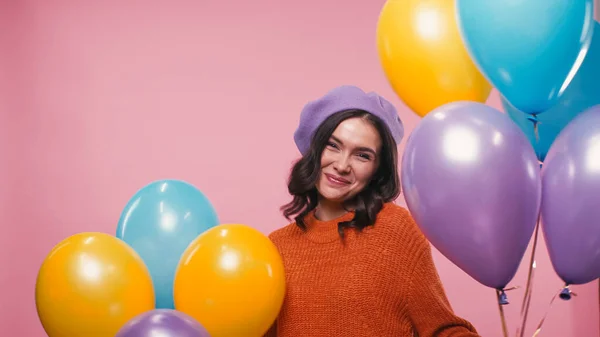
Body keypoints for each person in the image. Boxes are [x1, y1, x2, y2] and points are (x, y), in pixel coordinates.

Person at [264, 85, 480, 337]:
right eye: (333, 146)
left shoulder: (394, 231)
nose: (342, 165)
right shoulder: (277, 247)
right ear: (315, 148)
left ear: (378, 170)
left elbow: (443, 329)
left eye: (362, 156)